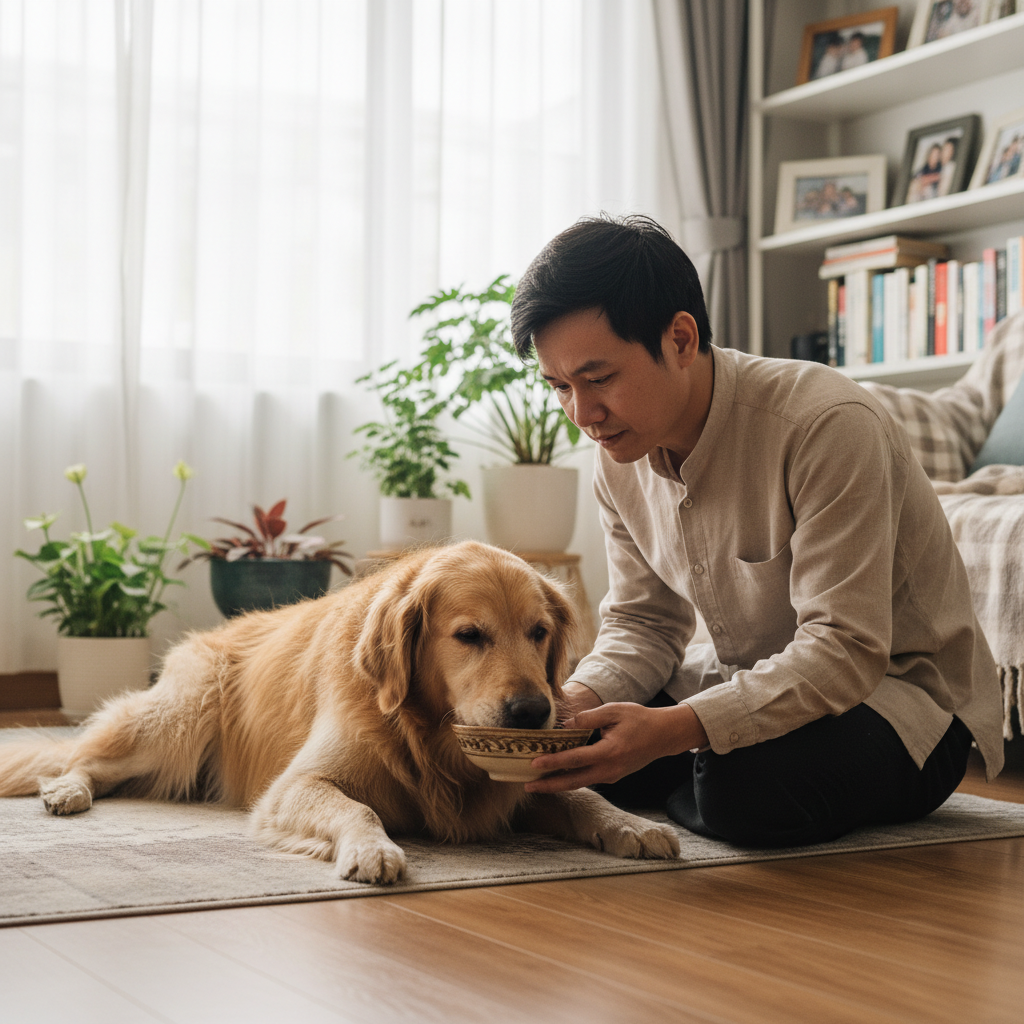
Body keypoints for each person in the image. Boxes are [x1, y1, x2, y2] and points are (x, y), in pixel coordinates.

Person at [511, 214, 1004, 848]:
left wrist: (679, 729)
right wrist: (575, 702)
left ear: (681, 339)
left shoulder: (825, 423)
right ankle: (688, 770)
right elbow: (645, 623)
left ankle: (695, 773)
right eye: (560, 387)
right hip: (760, 684)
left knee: (739, 790)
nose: (583, 414)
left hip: (901, 703)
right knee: (581, 754)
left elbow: (845, 649)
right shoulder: (618, 456)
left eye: (599, 379)